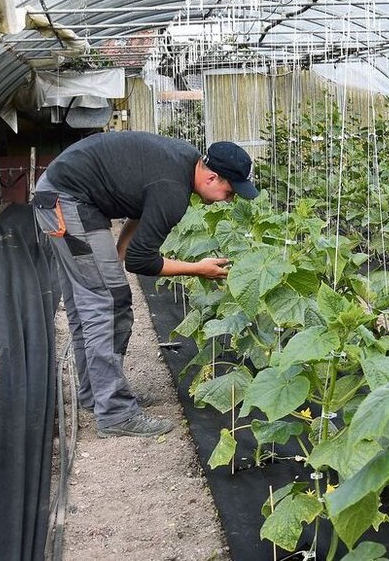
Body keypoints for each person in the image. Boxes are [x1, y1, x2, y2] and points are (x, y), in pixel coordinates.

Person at [31, 131, 258, 437]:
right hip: (69, 201)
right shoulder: (173, 191)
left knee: (93, 299)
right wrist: (197, 269)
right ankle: (114, 413)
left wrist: (115, 256)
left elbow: (138, 210)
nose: (229, 201)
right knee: (109, 304)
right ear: (212, 177)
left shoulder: (182, 161)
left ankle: (95, 394)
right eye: (230, 193)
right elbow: (141, 261)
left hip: (61, 194)